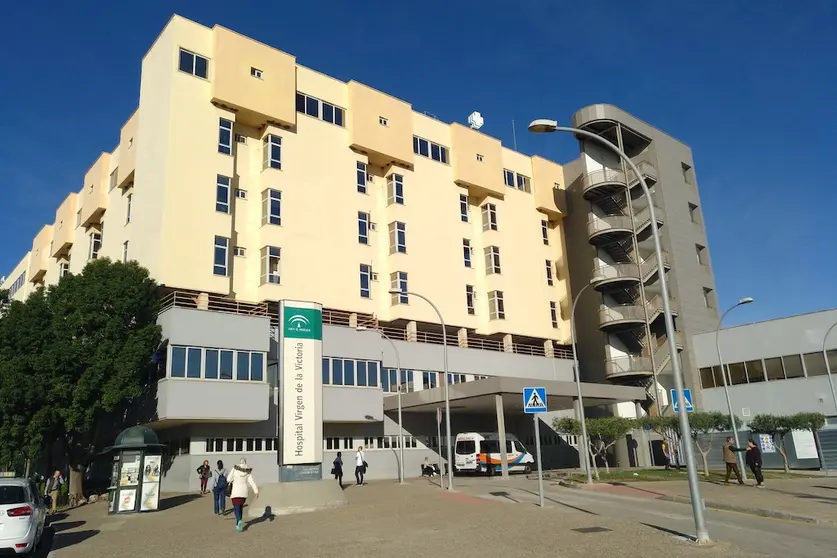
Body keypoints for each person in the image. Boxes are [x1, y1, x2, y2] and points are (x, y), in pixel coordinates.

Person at [226, 458, 259, 532]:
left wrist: (233, 479)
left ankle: (239, 520)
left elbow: (228, 479)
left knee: (236, 507)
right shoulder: (248, 471)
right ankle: (238, 525)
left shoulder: (235, 469)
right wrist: (256, 492)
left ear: (239, 462)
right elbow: (252, 482)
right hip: (244, 492)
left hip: (235, 491)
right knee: (240, 507)